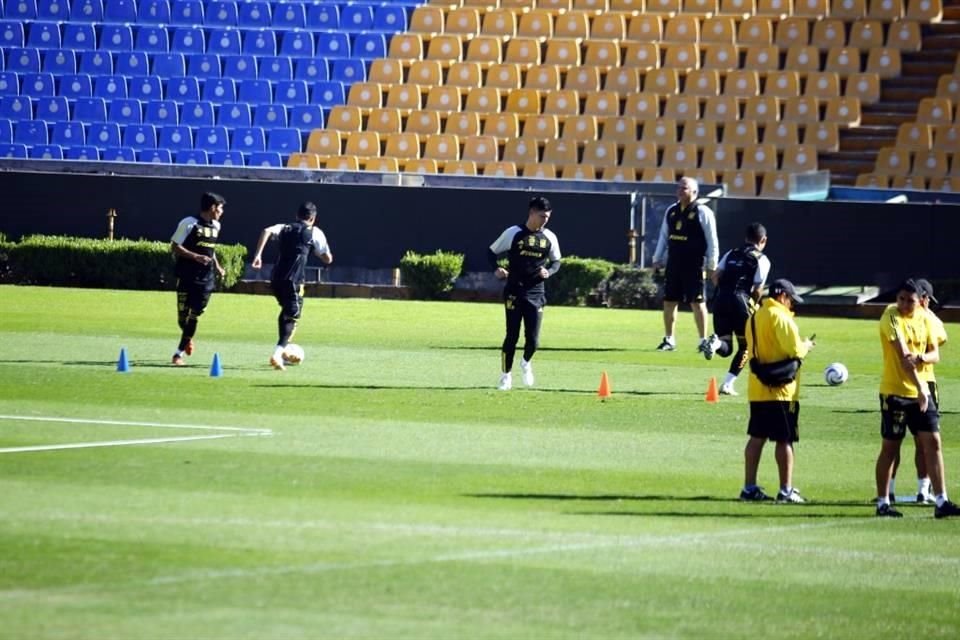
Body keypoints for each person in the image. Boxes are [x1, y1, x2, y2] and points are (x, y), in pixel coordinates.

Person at [874, 279, 959, 518]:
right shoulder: (890, 315)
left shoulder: (925, 316)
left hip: (921, 392)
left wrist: (922, 358)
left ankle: (941, 500)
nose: (903, 304)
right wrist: (921, 388)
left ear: (919, 300)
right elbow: (903, 356)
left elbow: (935, 353)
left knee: (933, 443)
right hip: (896, 392)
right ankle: (883, 502)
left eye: (909, 300)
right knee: (890, 447)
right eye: (901, 299)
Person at [739, 279, 814, 503]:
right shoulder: (782, 318)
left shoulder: (754, 316)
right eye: (791, 300)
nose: (792, 305)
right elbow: (795, 351)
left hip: (758, 388)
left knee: (756, 438)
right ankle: (786, 490)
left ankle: (749, 487)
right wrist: (807, 345)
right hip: (782, 391)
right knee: (785, 440)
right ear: (782, 296)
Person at [488, 195, 561, 391]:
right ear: (531, 213)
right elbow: (491, 252)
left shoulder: (550, 237)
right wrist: (497, 269)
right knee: (511, 336)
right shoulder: (514, 233)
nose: (545, 220)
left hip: (536, 293)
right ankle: (506, 376)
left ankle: (526, 362)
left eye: (548, 216)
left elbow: (557, 262)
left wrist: (550, 271)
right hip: (514, 291)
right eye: (542, 216)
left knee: (534, 340)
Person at [251, 201, 333, 371]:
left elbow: (266, 230)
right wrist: (318, 253)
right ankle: (278, 353)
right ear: (313, 218)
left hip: (276, 279)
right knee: (293, 315)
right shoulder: (314, 232)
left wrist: (258, 255)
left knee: (287, 312)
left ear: (297, 216)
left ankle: (282, 348)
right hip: (293, 280)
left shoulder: (285, 227)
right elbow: (327, 258)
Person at [651, 177, 719, 354]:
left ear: (695, 192)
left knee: (697, 302)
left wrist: (712, 264)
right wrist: (657, 258)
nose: (680, 190)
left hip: (694, 264)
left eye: (685, 188)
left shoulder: (703, 212)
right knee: (669, 302)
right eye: (679, 187)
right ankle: (669, 339)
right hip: (674, 263)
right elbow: (663, 236)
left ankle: (703, 340)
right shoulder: (671, 211)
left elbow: (712, 241)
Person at [706, 223, 771, 396]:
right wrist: (754, 304)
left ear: (746, 238)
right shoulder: (761, 259)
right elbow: (757, 289)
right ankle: (727, 385)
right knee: (747, 346)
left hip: (720, 300)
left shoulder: (731, 253)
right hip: (741, 301)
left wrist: (725, 292)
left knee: (725, 346)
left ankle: (715, 343)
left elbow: (715, 276)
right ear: (763, 240)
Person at [169, 191, 227, 366]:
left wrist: (217, 266)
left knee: (194, 316)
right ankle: (187, 338)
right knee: (182, 318)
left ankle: (177, 354)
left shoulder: (216, 226)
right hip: (186, 275)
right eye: (221, 208)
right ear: (212, 208)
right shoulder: (189, 223)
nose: (222, 211)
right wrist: (195, 257)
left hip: (206, 279)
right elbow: (175, 246)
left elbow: (211, 249)